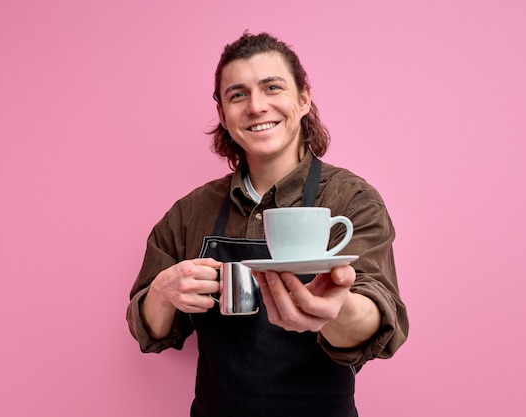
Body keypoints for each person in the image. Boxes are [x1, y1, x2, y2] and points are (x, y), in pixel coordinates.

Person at [127, 32, 409, 417]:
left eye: (272, 87)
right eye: (238, 94)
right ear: (224, 116)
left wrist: (333, 309)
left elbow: (378, 314)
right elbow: (151, 330)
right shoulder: (191, 211)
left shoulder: (352, 199)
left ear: (304, 99)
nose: (256, 106)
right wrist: (161, 294)